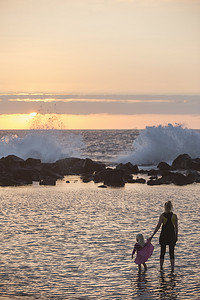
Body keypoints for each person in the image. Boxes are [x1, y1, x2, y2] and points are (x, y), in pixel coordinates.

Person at [150, 201, 178, 272]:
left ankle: (161, 268)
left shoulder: (162, 216)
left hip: (163, 236)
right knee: (172, 252)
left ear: (165, 207)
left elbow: (158, 226)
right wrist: (176, 236)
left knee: (162, 252)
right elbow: (176, 228)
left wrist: (152, 236)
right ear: (171, 207)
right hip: (172, 236)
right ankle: (172, 268)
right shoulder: (174, 216)